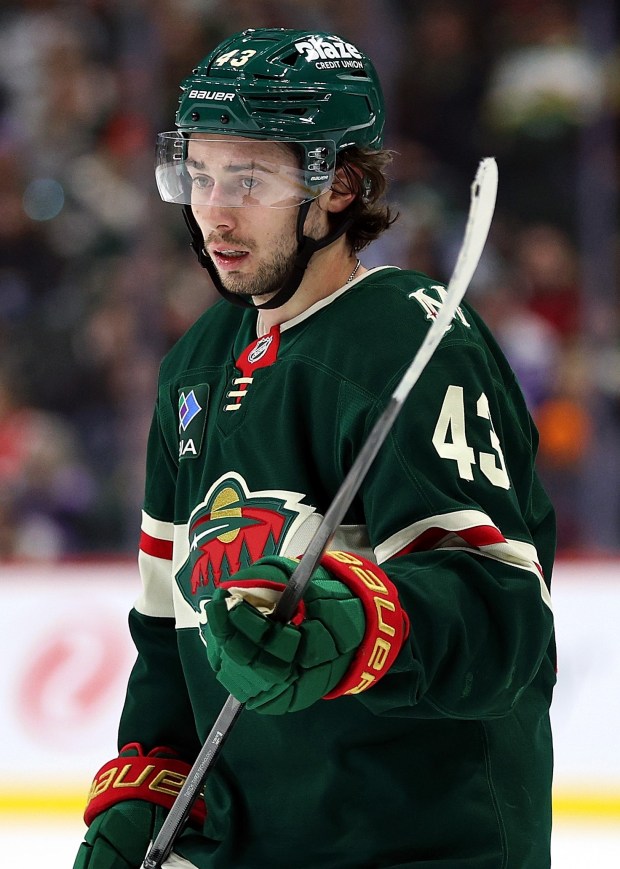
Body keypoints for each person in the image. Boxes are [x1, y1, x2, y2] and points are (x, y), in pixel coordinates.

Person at [74, 27, 556, 869]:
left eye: (251, 179)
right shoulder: (193, 365)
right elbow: (165, 627)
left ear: (340, 185)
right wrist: (150, 787)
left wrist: (365, 621)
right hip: (251, 845)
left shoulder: (413, 341)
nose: (215, 210)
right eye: (201, 173)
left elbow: (503, 629)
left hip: (423, 843)